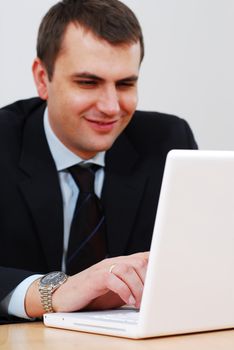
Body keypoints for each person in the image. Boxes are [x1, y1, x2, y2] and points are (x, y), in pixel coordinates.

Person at [0, 0, 197, 324]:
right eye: (88, 83)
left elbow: (202, 261)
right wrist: (57, 292)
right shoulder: (5, 141)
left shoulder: (168, 140)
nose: (110, 106)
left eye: (125, 84)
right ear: (41, 78)